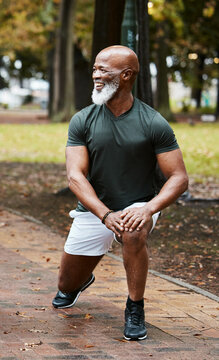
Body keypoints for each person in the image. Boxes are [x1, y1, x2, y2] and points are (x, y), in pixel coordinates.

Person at [51, 45, 189, 341]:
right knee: (66, 284)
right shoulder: (83, 120)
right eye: (95, 69)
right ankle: (80, 279)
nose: (96, 75)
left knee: (133, 231)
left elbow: (178, 177)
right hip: (95, 208)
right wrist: (104, 214)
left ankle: (135, 307)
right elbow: (75, 176)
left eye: (104, 70)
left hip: (137, 204)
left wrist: (148, 209)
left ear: (126, 76)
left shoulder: (152, 122)